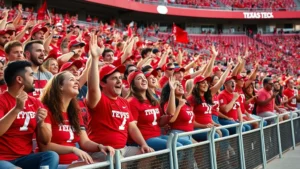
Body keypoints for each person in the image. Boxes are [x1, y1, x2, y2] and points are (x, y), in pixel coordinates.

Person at [85, 35, 154, 160]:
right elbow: (92, 88)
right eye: (114, 78)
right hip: (103, 151)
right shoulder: (98, 99)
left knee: (149, 154)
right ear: (103, 83)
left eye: (120, 78)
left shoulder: (123, 101)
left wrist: (143, 144)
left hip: (124, 149)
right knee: (116, 159)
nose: (119, 82)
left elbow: (132, 127)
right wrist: (94, 59)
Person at [38, 71, 115, 168]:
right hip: (56, 164)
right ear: (60, 87)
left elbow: (84, 142)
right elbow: (45, 146)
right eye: (71, 80)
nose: (76, 82)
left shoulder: (75, 112)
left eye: (76, 80)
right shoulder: (46, 110)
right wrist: (73, 149)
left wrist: (100, 146)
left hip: (74, 162)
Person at [0, 61, 58, 169]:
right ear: (19, 79)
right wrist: (16, 109)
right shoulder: (1, 100)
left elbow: (45, 141)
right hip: (2, 159)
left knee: (51, 156)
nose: (34, 79)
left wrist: (41, 124)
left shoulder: (35, 102)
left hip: (26, 158)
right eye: (31, 75)